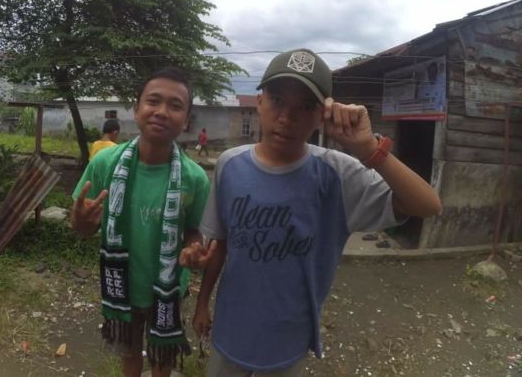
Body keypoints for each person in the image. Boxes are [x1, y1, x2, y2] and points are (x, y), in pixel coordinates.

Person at [192, 48, 442, 376]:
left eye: (306, 106)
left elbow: (428, 205)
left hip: (289, 337)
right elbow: (221, 244)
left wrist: (370, 149)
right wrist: (201, 304)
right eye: (277, 100)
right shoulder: (230, 165)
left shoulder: (337, 174)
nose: (287, 117)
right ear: (260, 101)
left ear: (322, 115)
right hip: (232, 325)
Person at [71, 67, 216, 377]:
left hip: (168, 290)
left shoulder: (194, 179)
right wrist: (80, 220)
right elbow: (83, 227)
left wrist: (194, 249)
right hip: (123, 287)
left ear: (186, 120)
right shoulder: (105, 164)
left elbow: (193, 230)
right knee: (130, 354)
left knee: (163, 360)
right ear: (136, 109)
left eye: (175, 106)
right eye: (153, 101)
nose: (162, 112)